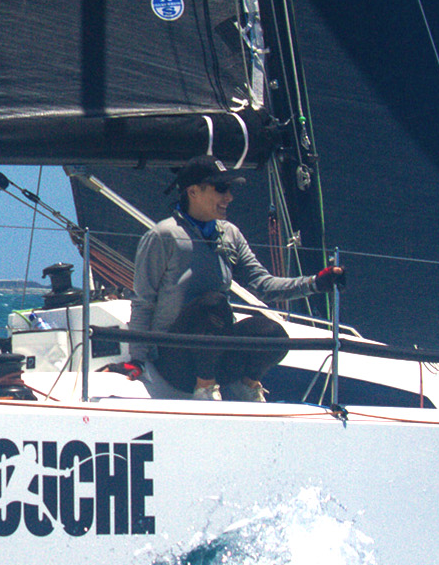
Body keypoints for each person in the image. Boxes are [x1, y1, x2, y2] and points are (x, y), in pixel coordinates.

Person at [129, 155, 344, 401]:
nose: (229, 197)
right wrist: (137, 360)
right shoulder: (163, 235)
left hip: (216, 356)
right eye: (221, 189)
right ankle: (205, 389)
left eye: (229, 189)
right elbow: (143, 301)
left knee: (273, 333)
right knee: (212, 304)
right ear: (193, 192)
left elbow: (263, 285)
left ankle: (246, 385)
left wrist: (315, 283)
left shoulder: (229, 233)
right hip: (175, 362)